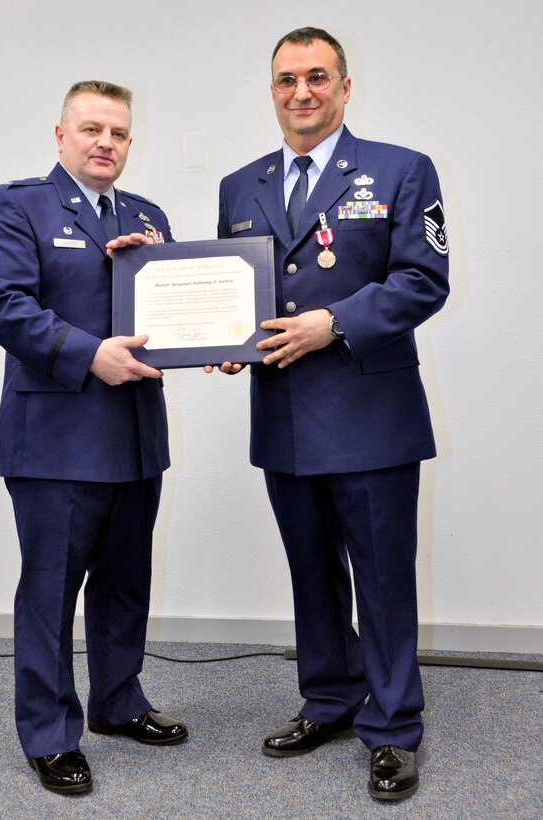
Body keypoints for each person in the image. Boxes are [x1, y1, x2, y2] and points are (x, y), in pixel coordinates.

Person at [215, 28, 449, 800]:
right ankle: (330, 701)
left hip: (369, 414)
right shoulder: (239, 185)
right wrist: (218, 342)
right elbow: (233, 293)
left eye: (318, 77)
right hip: (282, 414)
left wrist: (333, 322)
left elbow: (422, 280)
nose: (301, 92)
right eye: (286, 80)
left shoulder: (399, 170)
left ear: (346, 87)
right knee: (311, 576)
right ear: (272, 90)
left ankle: (392, 729)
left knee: (382, 580)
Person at [0, 80, 187, 795]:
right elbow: (4, 309)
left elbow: (181, 310)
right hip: (57, 435)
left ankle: (119, 702)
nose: (106, 142)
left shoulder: (149, 216)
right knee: (49, 591)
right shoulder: (19, 205)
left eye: (119, 133)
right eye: (92, 128)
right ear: (60, 135)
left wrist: (221, 339)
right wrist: (88, 352)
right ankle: (48, 732)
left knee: (126, 584)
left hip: (133, 434)